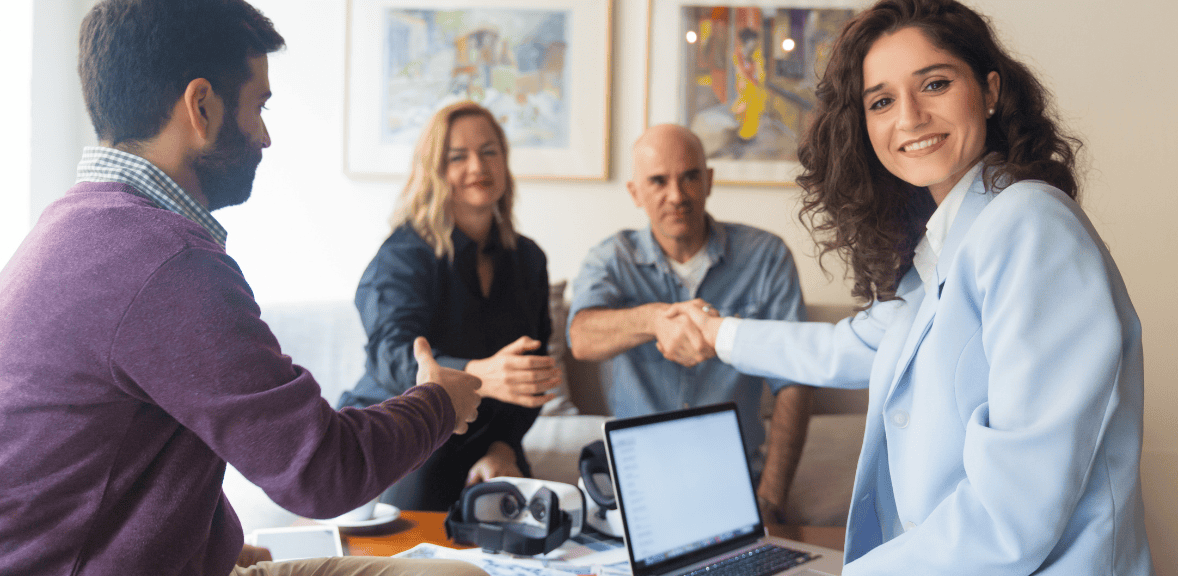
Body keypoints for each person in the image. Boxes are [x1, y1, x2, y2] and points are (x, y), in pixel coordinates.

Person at [0, 1, 487, 575]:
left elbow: (129, 454)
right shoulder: (166, 261)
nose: (265, 136)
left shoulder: (75, 227)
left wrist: (215, 547)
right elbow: (323, 470)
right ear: (201, 105)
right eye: (258, 106)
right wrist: (441, 402)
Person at [683, 0, 1155, 573]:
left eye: (933, 84)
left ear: (989, 90)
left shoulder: (1029, 225)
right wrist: (714, 334)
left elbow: (1014, 515)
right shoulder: (948, 242)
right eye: (881, 101)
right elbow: (849, 347)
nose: (908, 117)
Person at [567, 124, 813, 523]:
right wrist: (654, 320)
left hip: (737, 486)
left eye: (689, 177)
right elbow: (581, 337)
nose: (676, 196)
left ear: (709, 180)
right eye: (658, 181)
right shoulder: (610, 259)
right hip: (637, 489)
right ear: (635, 193)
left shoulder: (766, 257)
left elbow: (794, 381)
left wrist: (770, 498)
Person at [337, 101, 561, 512]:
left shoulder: (530, 259)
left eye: (489, 151)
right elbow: (391, 354)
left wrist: (504, 448)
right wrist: (476, 375)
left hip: (489, 436)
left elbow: (534, 374)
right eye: (458, 156)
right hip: (404, 428)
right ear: (435, 169)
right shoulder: (405, 253)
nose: (477, 166)